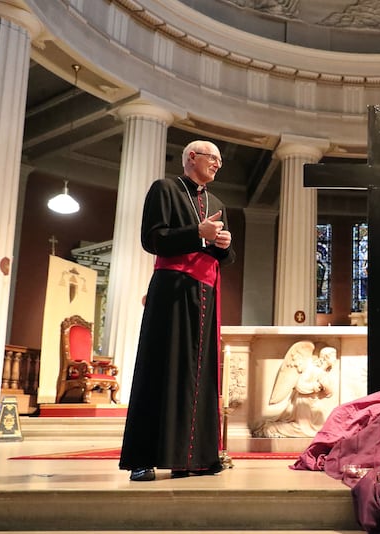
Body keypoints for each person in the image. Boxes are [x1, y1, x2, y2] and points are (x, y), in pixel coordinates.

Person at [119, 140, 235, 481]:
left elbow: (223, 255)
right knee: (161, 367)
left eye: (220, 160)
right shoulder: (164, 189)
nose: (218, 165)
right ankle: (143, 458)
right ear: (192, 157)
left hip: (206, 292)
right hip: (171, 289)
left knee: (198, 375)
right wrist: (197, 233)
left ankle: (196, 457)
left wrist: (224, 246)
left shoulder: (217, 203)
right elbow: (152, 239)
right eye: (214, 158)